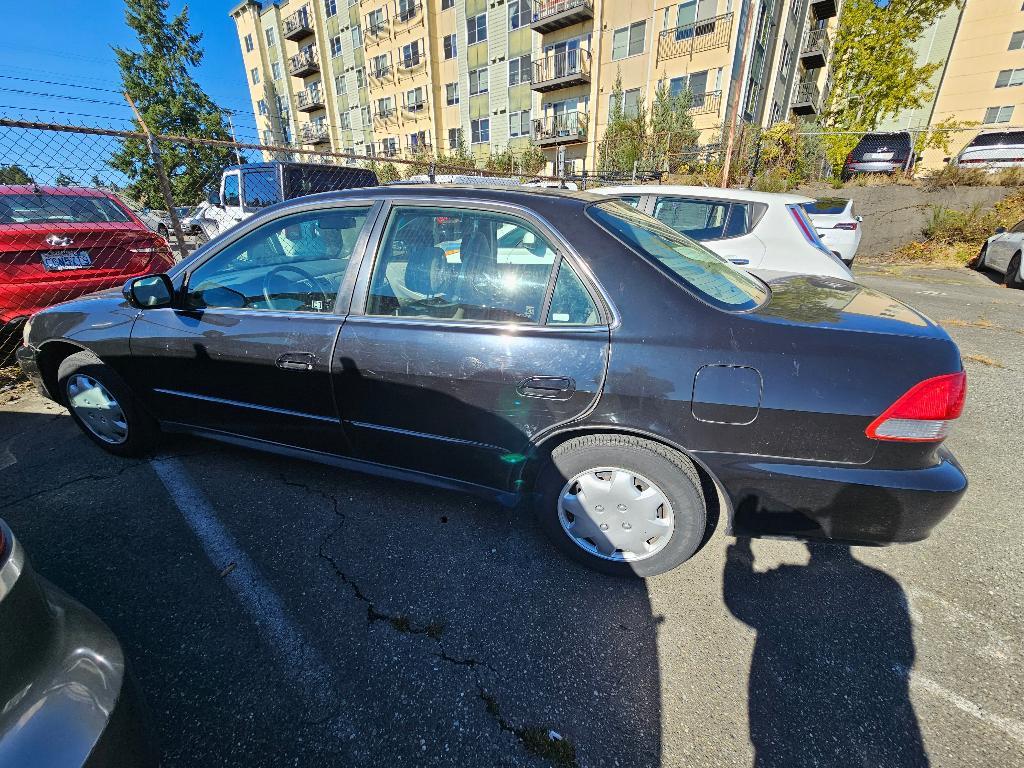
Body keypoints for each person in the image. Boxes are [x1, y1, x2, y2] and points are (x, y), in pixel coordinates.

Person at [723, 537, 929, 768]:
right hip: (869, 734)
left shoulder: (789, 584)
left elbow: (739, 598)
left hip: (788, 734)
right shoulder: (883, 587)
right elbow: (902, 653)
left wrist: (740, 549)